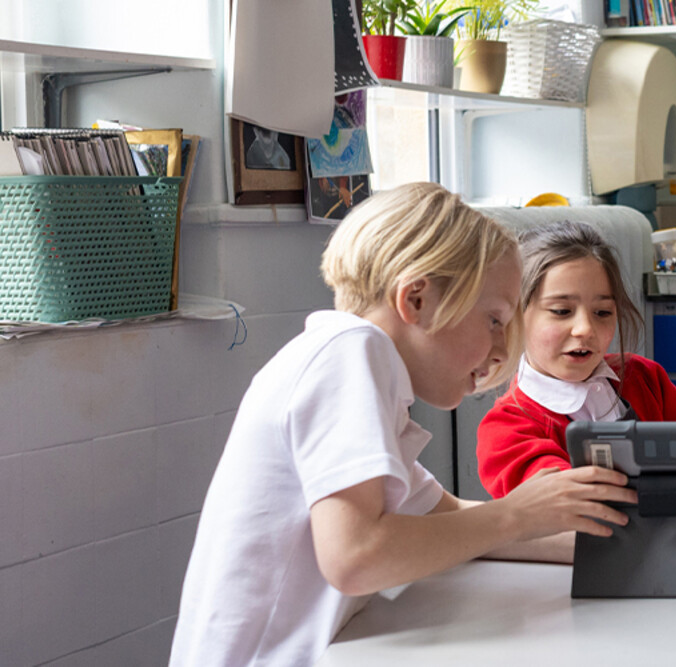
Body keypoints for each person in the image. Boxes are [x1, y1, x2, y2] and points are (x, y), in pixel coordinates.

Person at [170, 184, 636, 667]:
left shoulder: (365, 379)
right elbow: (356, 557)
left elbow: (447, 519)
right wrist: (516, 514)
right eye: (494, 320)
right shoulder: (348, 351)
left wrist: (616, 540)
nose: (502, 350)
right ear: (416, 300)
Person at [478, 221, 676, 498]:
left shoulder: (643, 377)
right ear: (515, 315)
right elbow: (573, 506)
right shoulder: (507, 431)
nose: (585, 329)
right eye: (561, 311)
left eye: (602, 312)